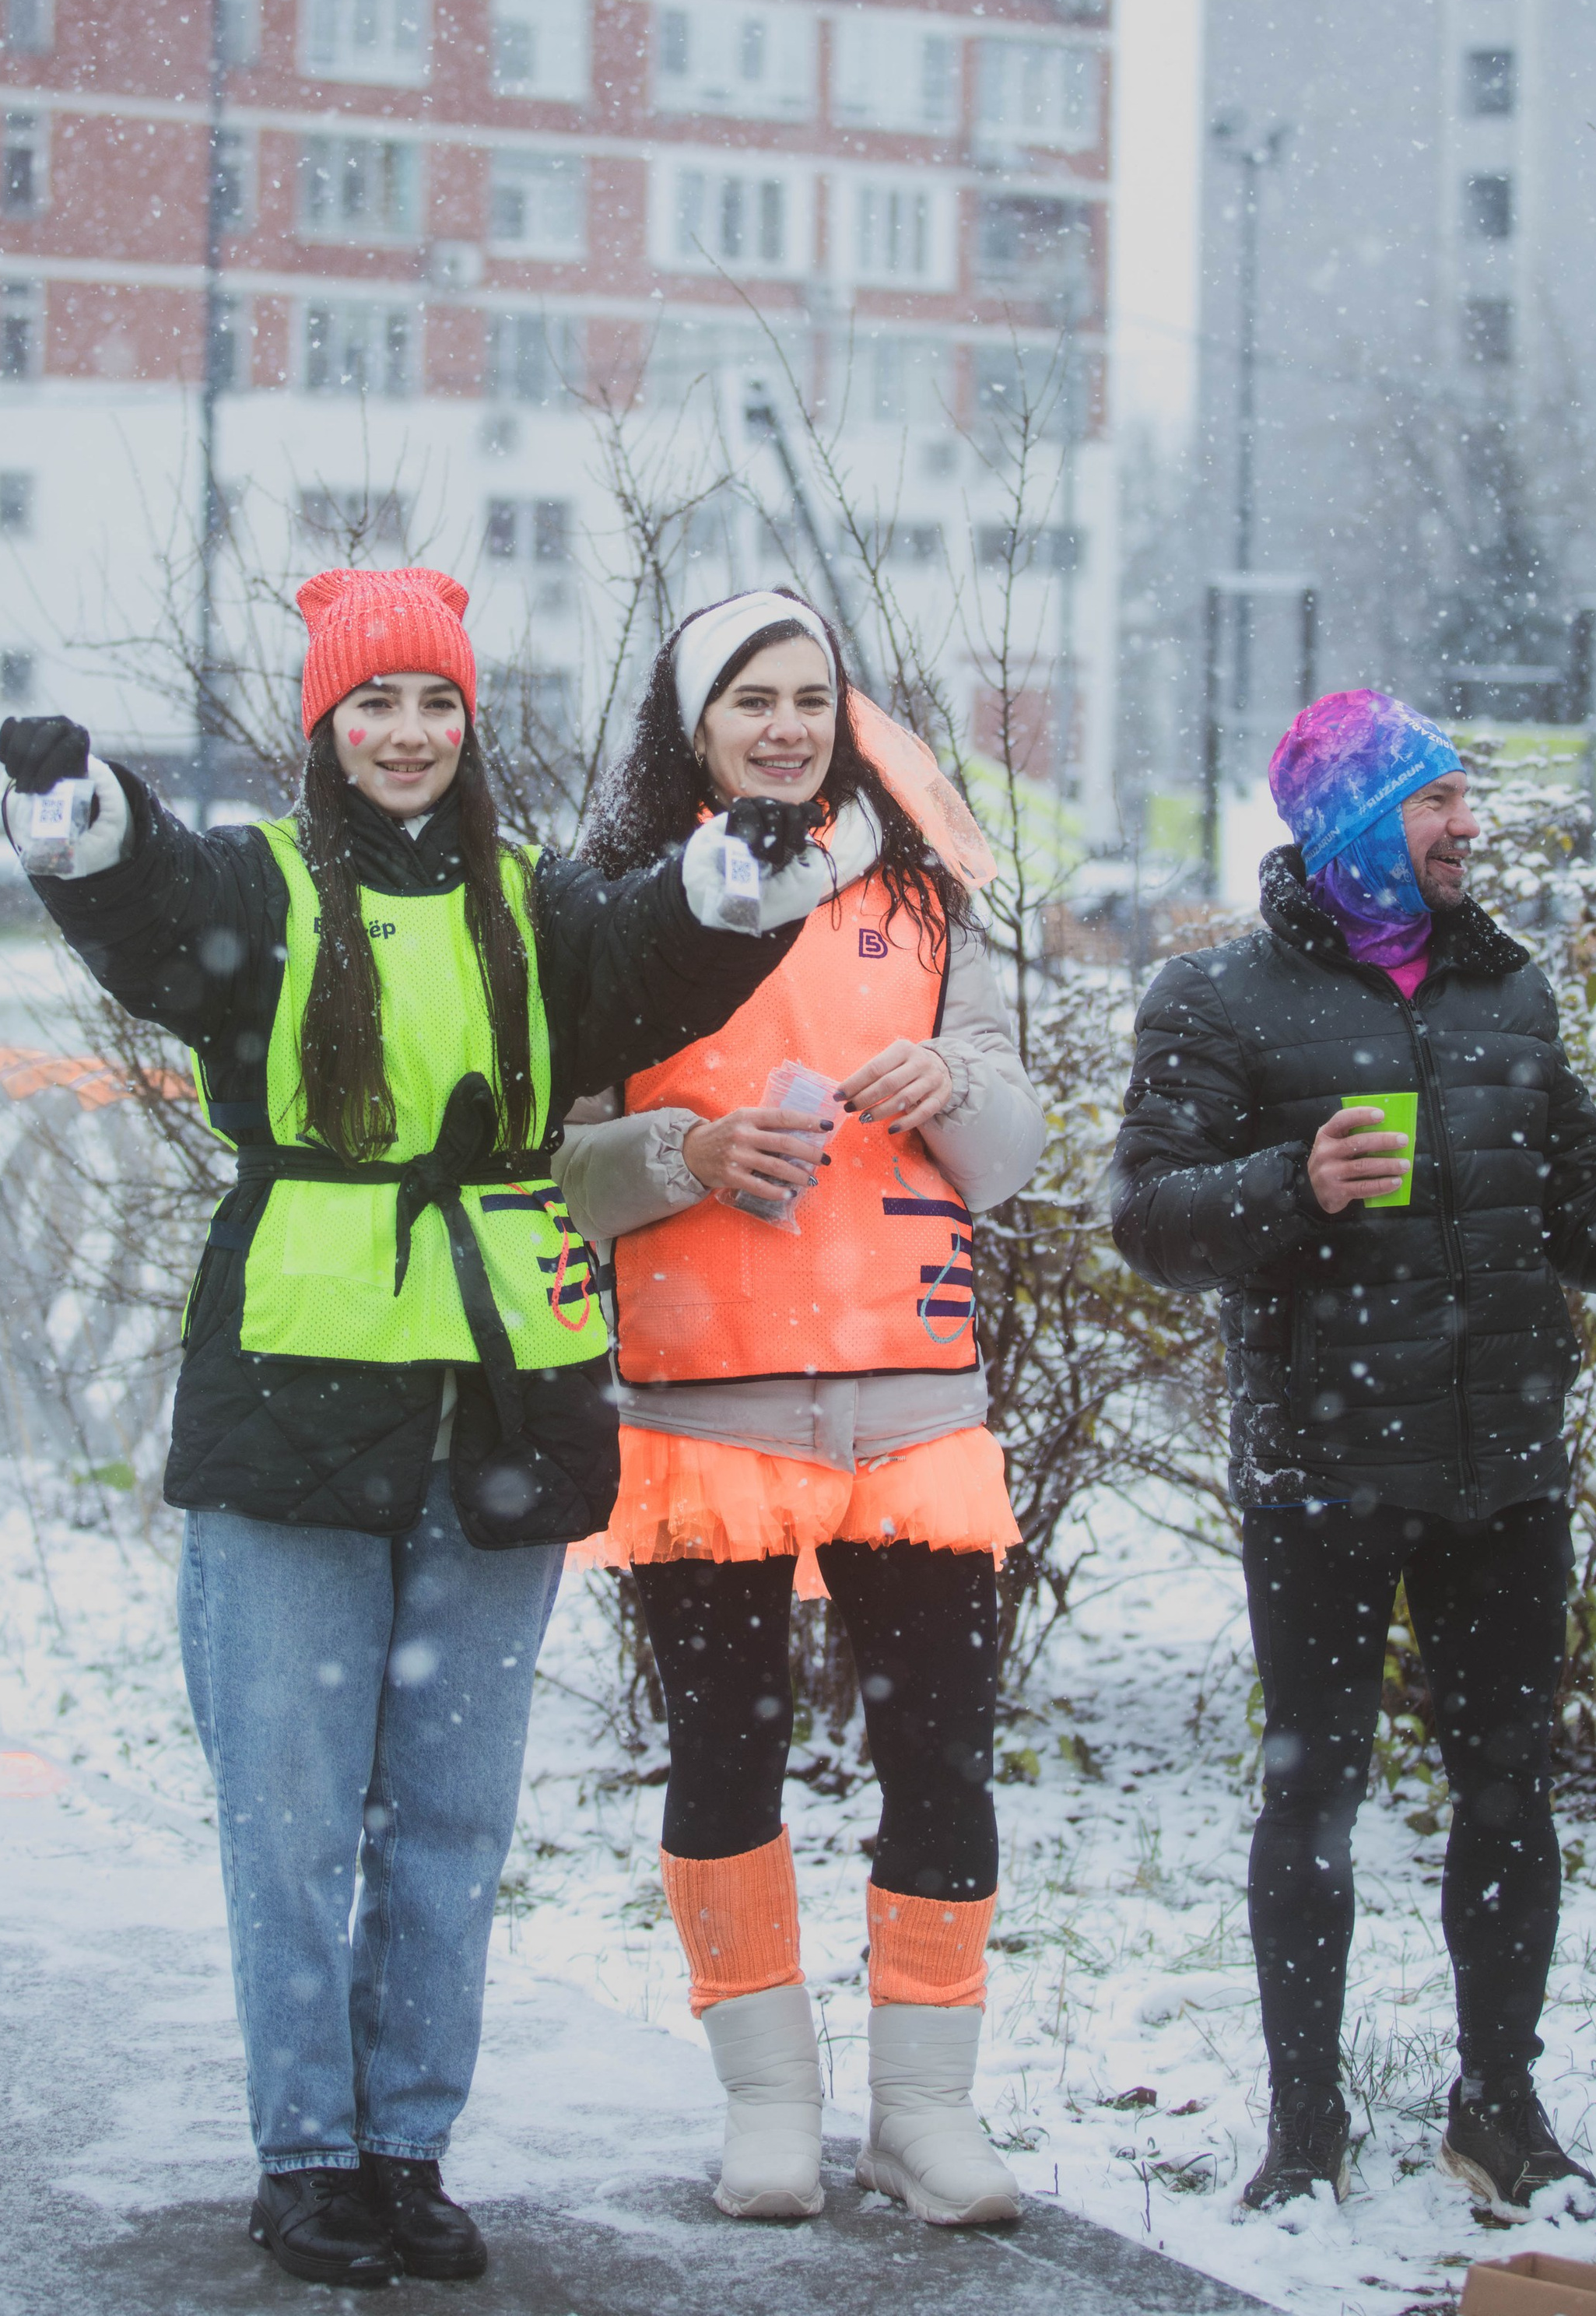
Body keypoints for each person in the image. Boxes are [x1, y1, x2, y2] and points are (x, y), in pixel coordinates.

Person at [0, 565, 835, 2292]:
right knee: (290, 1816)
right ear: (325, 725)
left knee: (451, 1816)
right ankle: (305, 2154)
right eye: (372, 705)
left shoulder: (534, 904)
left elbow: (649, 961)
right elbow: (153, 911)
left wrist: (729, 879)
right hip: (295, 1401)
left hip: (500, 1405)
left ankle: (407, 2148)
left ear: (469, 723)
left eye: (434, 704)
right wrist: (85, 823)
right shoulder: (262, 888)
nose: (405, 733)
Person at [1110, 687, 1596, 2220]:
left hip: (1501, 1471)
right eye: (1429, 800)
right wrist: (1290, 1181)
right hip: (1321, 1474)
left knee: (1506, 1793)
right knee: (1308, 1798)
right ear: (1343, 832)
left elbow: (1585, 1219)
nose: (1463, 825)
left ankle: (1498, 2108)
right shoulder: (1219, 1003)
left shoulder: (1505, 998)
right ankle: (1306, 2133)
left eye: (1461, 800)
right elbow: (1144, 1216)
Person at [553, 588, 1046, 2232]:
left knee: (940, 1763)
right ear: (688, 730)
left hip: (917, 1398)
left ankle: (924, 2115)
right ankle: (768, 2105)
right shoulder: (628, 910)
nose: (784, 725)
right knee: (723, 1759)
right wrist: (680, 1157)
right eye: (747, 701)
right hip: (707, 1402)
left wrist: (957, 1089)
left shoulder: (921, 895)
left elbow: (1013, 1157)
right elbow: (557, 1169)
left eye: (808, 699)